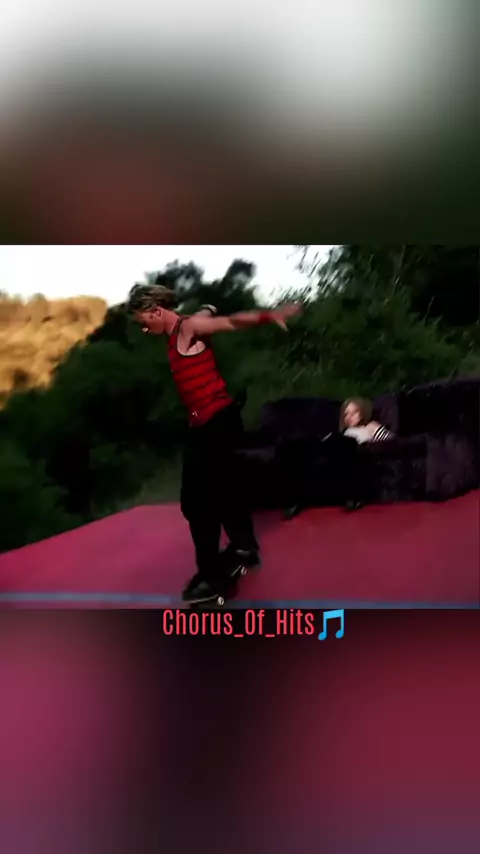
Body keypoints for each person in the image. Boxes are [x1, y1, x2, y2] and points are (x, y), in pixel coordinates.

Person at [125, 283, 301, 603]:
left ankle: (213, 577)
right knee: (225, 490)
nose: (144, 329)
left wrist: (269, 316)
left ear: (155, 311)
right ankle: (245, 546)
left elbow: (230, 322)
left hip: (216, 422)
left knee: (197, 503)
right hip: (208, 423)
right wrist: (210, 306)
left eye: (143, 321)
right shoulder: (184, 327)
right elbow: (208, 313)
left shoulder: (188, 328)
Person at [282, 396, 394, 520]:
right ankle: (295, 501)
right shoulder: (344, 431)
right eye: (346, 414)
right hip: (332, 454)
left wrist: (369, 444)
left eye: (354, 413)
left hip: (353, 451)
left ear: (363, 412)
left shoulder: (370, 427)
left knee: (344, 442)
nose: (349, 417)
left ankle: (352, 497)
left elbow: (392, 441)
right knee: (300, 446)